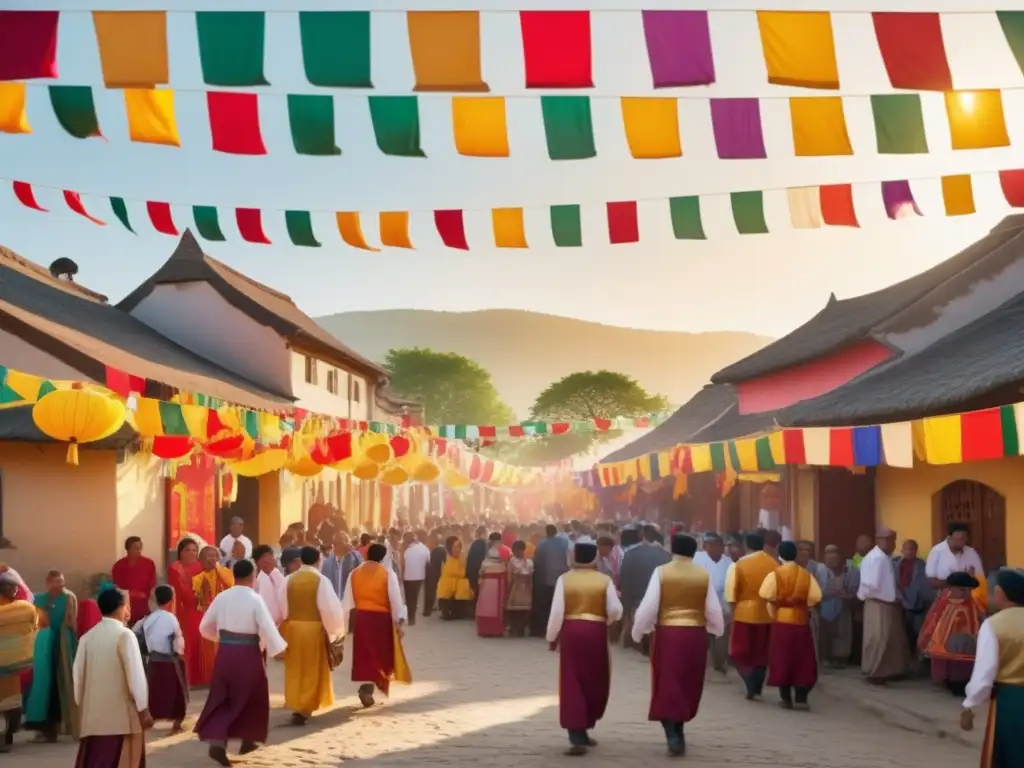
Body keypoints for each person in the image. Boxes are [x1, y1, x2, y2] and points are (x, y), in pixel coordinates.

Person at [631, 534, 724, 756]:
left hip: (668, 634)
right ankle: (678, 727)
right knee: (688, 681)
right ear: (694, 552)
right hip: (695, 635)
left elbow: (650, 605)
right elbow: (712, 608)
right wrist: (716, 629)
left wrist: (639, 630)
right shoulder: (703, 574)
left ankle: (672, 731)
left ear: (672, 550)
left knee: (668, 680)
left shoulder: (662, 572)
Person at [194, 559, 286, 766]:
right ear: (252, 576)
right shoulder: (255, 599)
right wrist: (279, 648)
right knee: (253, 696)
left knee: (222, 696)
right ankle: (247, 737)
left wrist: (222, 639)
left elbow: (204, 627)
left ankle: (219, 740)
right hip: (248, 654)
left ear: (234, 575)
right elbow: (268, 627)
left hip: (225, 652)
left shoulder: (222, 597)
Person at [546, 541, 621, 756]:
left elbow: (557, 612)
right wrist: (606, 621)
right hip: (596, 631)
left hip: (571, 631)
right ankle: (586, 725)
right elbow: (615, 609)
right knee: (595, 678)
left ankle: (577, 733)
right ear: (594, 557)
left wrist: (551, 636)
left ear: (575, 557)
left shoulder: (565, 580)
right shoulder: (604, 580)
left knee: (572, 680)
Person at [73, 588, 152, 768]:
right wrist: (143, 708)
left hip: (92, 720)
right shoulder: (124, 635)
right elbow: (136, 676)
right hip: (120, 720)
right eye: (127, 605)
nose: (129, 610)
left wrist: (84, 707)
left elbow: (77, 679)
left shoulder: (87, 637)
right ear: (120, 608)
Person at [961, 568, 1024, 768]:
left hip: (1010, 700)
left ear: (999, 593)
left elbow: (984, 673)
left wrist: (969, 705)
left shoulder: (994, 625)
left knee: (1010, 753)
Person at [279, 546, 346, 725]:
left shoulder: (289, 580)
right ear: (318, 560)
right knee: (311, 668)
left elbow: (282, 607)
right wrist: (335, 631)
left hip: (292, 629)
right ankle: (305, 707)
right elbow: (329, 609)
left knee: (295, 668)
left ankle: (295, 701)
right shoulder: (321, 580)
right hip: (313, 629)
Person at [340, 543, 411, 709]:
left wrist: (344, 625)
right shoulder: (387, 574)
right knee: (381, 654)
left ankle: (370, 685)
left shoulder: (354, 573)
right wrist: (399, 619)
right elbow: (395, 599)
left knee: (366, 655)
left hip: (362, 618)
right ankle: (370, 686)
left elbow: (347, 601)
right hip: (381, 619)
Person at [759, 541, 823, 710]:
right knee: (802, 659)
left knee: (782, 659)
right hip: (801, 621)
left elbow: (765, 593)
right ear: (795, 554)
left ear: (779, 555)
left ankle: (786, 698)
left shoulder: (775, 574)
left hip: (781, 620)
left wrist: (781, 601)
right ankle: (801, 697)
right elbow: (815, 597)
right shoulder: (805, 575)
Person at [24, 569, 79, 741]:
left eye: (62, 583)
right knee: (43, 687)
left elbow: (71, 623)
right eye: (56, 584)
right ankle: (44, 729)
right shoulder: (39, 599)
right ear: (48, 583)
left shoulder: (69, 598)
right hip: (44, 649)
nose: (60, 587)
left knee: (62, 686)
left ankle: (65, 726)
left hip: (62, 649)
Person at [724, 533, 778, 700]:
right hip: (767, 613)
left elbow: (731, 593)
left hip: (744, 613)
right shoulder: (774, 564)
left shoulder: (739, 564)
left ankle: (749, 679)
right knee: (761, 652)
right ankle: (758, 684)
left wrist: (732, 610)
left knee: (740, 652)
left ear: (746, 545)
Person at [857, 527, 910, 685]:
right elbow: (871, 584)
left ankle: (888, 671)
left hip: (887, 602)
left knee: (891, 639)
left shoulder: (883, 557)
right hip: (878, 603)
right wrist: (888, 597)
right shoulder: (876, 558)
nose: (893, 544)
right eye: (891, 540)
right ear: (882, 540)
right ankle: (874, 672)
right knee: (879, 638)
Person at [918, 571, 985, 696]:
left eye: (968, 590)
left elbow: (980, 619)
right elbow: (932, 620)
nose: (965, 593)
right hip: (945, 643)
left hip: (968, 645)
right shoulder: (943, 603)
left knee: (965, 669)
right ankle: (948, 682)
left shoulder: (972, 604)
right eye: (961, 590)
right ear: (951, 589)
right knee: (949, 668)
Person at [134, 584, 187, 733]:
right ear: (171, 600)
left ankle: (150, 718)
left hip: (153, 661)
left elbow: (136, 633)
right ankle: (177, 722)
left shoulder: (148, 619)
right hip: (170, 661)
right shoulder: (171, 618)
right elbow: (178, 640)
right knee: (177, 692)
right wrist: (179, 652)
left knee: (153, 691)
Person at [620, 525, 672, 655]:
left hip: (636, 606)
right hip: (660, 608)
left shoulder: (630, 555)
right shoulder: (667, 557)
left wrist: (626, 618)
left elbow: (625, 586)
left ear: (642, 536)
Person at [0, 571, 36, 752]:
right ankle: (6, 738)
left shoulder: (22, 609)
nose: (13, 590)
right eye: (11, 588)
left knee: (12, 706)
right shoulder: (24, 609)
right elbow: (34, 624)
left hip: (9, 669)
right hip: (13, 665)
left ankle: (5, 738)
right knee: (12, 705)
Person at [193, 546, 235, 687]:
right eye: (208, 556)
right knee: (207, 647)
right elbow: (196, 596)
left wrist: (217, 569)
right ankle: (208, 678)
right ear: (201, 559)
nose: (211, 559)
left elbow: (230, 584)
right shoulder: (198, 576)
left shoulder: (224, 572)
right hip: (205, 613)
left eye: (214, 556)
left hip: (222, 614)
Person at [167, 537, 204, 686]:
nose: (191, 553)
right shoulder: (175, 568)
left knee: (200, 641)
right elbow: (179, 589)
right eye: (187, 550)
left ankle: (200, 678)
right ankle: (186, 678)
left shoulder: (200, 566)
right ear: (180, 552)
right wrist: (194, 597)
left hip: (199, 610)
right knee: (185, 642)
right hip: (183, 610)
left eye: (194, 550)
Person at [693, 534, 732, 674]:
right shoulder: (697, 559)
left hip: (722, 607)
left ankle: (719, 663)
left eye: (715, 545)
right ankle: (700, 662)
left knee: (721, 638)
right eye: (708, 544)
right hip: (701, 605)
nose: (711, 548)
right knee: (703, 637)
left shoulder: (729, 564)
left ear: (721, 547)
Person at [818, 545, 859, 667]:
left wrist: (847, 596)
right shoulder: (819, 571)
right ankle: (824, 658)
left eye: (835, 556)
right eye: (828, 557)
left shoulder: (850, 571)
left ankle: (840, 659)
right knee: (824, 634)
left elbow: (856, 594)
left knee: (842, 633)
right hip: (823, 608)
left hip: (843, 608)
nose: (831, 560)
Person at [894, 539, 933, 661]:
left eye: (912, 549)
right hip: (899, 603)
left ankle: (918, 662)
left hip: (918, 605)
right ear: (902, 550)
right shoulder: (894, 564)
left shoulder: (922, 565)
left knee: (918, 634)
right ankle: (904, 662)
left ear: (916, 551)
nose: (909, 552)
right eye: (907, 549)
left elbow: (924, 586)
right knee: (902, 634)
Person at [531, 524, 570, 637]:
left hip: (546, 580)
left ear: (546, 532)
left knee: (546, 606)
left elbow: (536, 561)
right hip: (561, 578)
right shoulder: (564, 542)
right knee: (560, 605)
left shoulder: (542, 544)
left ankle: (545, 629)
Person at [111, 537, 157, 627]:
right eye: (135, 548)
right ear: (127, 549)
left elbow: (152, 584)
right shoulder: (119, 565)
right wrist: (131, 594)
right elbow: (117, 586)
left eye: (140, 548)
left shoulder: (148, 563)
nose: (139, 551)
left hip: (144, 605)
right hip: (125, 605)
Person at [926, 523, 985, 589]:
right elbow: (931, 582)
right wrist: (960, 581)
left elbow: (980, 579)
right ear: (949, 537)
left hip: (968, 595)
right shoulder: (937, 551)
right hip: (943, 594)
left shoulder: (971, 553)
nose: (961, 540)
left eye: (964, 538)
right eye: (958, 536)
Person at [475, 537, 509, 637]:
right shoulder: (502, 564)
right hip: (498, 586)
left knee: (485, 607)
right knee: (496, 609)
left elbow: (480, 573)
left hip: (486, 586)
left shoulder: (484, 563)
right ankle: (496, 630)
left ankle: (484, 629)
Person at [436, 537, 473, 620]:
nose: (457, 549)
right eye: (455, 547)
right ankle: (446, 611)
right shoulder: (445, 556)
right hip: (447, 583)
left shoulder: (462, 557)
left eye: (459, 547)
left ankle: (458, 611)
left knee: (463, 584)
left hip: (458, 583)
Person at [402, 531, 431, 626]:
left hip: (407, 577)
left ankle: (409, 617)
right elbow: (428, 562)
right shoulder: (425, 549)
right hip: (419, 577)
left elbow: (403, 563)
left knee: (408, 598)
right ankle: (411, 617)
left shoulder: (406, 550)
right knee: (414, 597)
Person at [506, 541, 534, 638]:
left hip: (516, 588)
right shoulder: (529, 562)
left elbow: (509, 577)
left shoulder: (512, 561)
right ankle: (520, 628)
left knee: (515, 610)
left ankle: (516, 628)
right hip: (525, 589)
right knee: (523, 611)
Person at [253, 545, 286, 625]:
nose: (272, 560)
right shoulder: (256, 578)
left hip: (278, 624)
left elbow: (284, 595)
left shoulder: (277, 574)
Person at [423, 530, 446, 619]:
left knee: (431, 591)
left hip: (434, 573)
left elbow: (442, 562)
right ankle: (431, 607)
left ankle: (430, 608)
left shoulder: (439, 550)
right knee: (432, 591)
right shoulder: (438, 550)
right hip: (434, 572)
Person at [465, 527, 489, 597]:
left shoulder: (473, 543)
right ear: (483, 533)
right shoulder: (486, 543)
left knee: (475, 590)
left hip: (472, 570)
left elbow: (469, 558)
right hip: (483, 570)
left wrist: (467, 572)